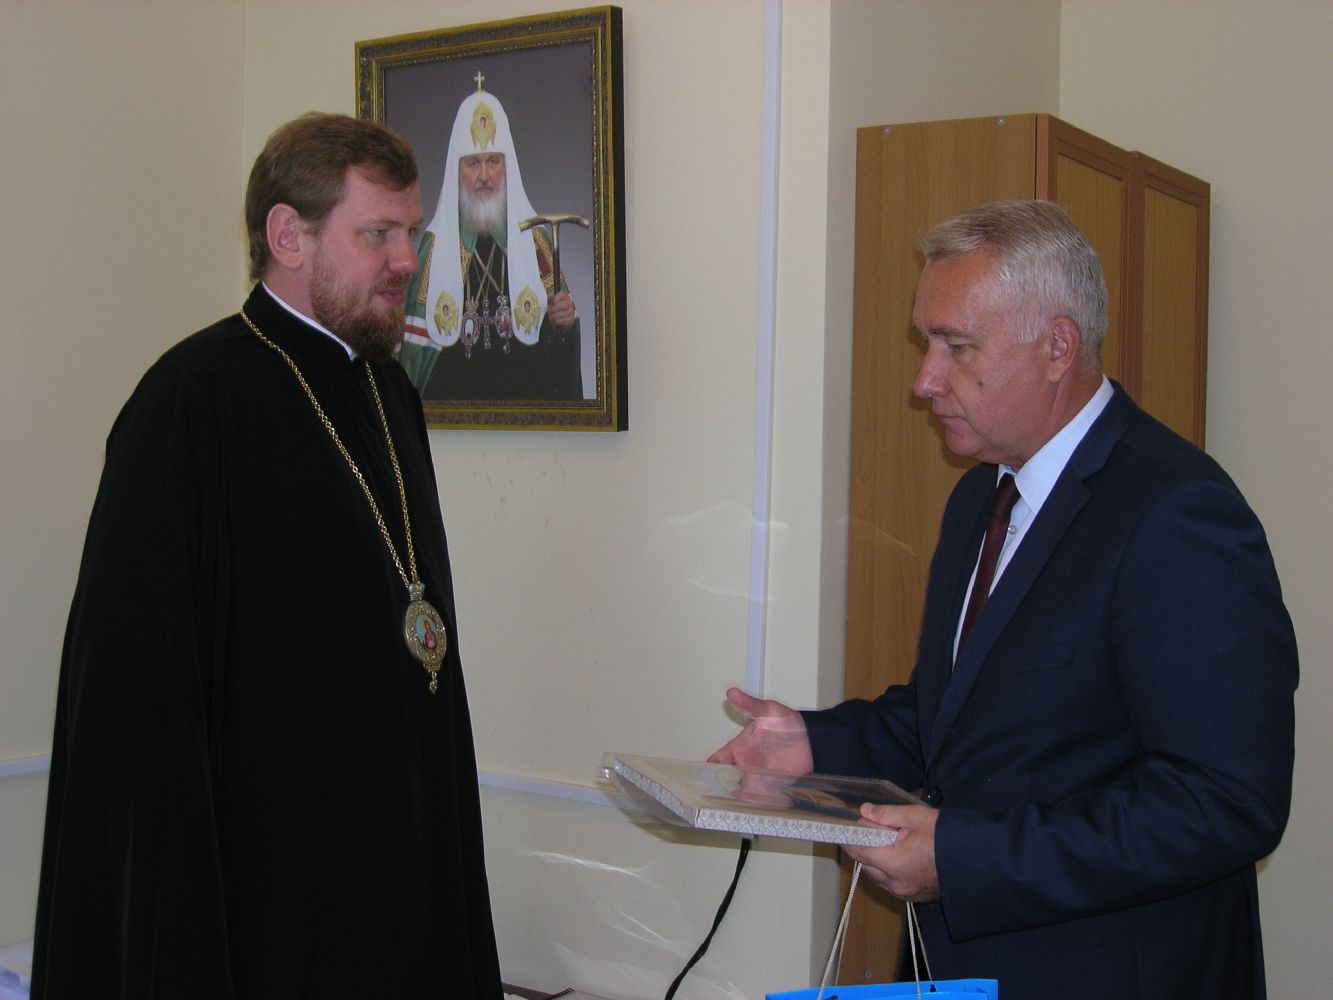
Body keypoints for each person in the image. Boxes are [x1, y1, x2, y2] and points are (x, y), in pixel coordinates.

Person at [711, 200, 1297, 1000]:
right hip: (963, 967)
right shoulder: (981, 494)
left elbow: (1225, 802)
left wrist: (960, 859)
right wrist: (812, 744)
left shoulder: (1175, 513)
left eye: (956, 347)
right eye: (925, 344)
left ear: (1057, 346)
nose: (923, 381)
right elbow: (956, 720)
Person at [32, 113, 503, 998]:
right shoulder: (191, 400)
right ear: (289, 236)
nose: (406, 260)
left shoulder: (390, 391)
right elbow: (134, 697)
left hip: (397, 853)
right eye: (378, 234)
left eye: (412, 234)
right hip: (261, 887)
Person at [399, 76, 583, 401]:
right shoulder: (434, 248)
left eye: (493, 162)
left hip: (523, 413)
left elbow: (559, 353)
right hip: (455, 417)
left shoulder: (535, 242)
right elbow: (414, 360)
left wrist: (565, 324)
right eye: (473, 163)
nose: (484, 176)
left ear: (506, 167)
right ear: (457, 171)